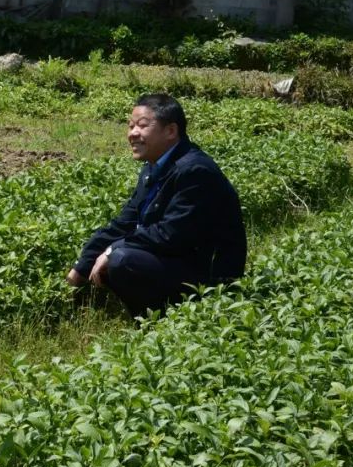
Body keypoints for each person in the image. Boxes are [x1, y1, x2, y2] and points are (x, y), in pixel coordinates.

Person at [66, 93, 245, 318]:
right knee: (114, 254)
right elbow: (126, 222)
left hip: (207, 275)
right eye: (130, 126)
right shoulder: (155, 166)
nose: (133, 133)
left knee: (121, 260)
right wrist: (81, 266)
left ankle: (159, 320)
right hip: (177, 259)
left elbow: (172, 235)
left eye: (142, 125)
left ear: (171, 131)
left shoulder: (195, 170)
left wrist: (112, 250)